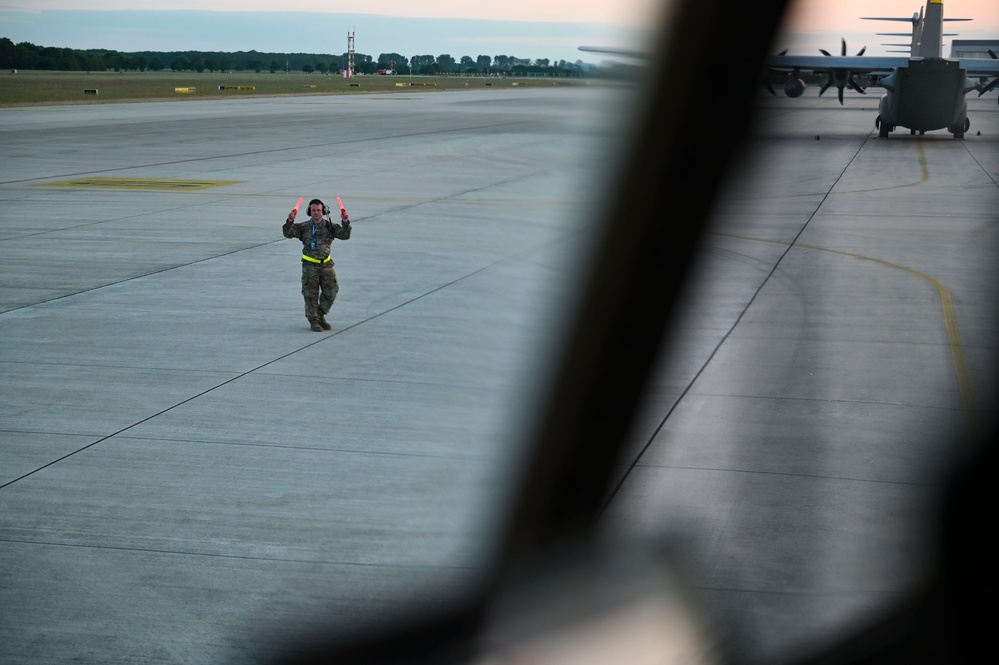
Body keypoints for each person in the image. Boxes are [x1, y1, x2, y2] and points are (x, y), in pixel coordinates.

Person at [282, 198, 351, 331]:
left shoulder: (330, 227)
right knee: (310, 294)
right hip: (310, 266)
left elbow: (345, 235)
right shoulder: (304, 227)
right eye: (313, 210)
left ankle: (319, 315)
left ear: (323, 211)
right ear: (309, 212)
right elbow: (288, 233)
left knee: (331, 291)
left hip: (326, 265)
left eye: (319, 210)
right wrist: (290, 220)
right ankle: (313, 320)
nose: (316, 213)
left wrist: (345, 221)